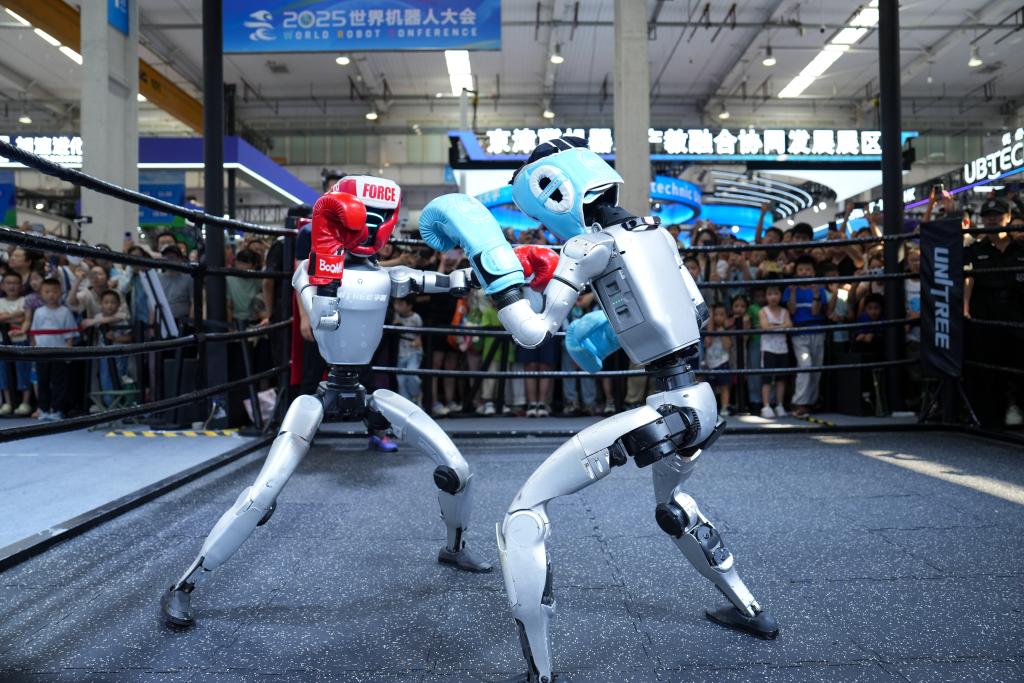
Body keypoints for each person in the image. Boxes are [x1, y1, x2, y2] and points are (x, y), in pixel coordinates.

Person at [964, 197, 1024, 427]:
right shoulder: (974, 251)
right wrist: (965, 308)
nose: (991, 221)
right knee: (987, 371)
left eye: (997, 216)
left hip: (1017, 317)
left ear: (1008, 218)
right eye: (987, 217)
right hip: (986, 318)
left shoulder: (1021, 248)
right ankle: (989, 419)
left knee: (1019, 367)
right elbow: (967, 280)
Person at [783, 255, 828, 417]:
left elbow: (816, 312)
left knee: (816, 368)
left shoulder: (820, 289)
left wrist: (816, 294)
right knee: (805, 365)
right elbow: (792, 310)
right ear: (796, 272)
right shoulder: (789, 289)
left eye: (808, 269)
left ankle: (811, 402)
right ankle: (800, 403)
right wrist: (793, 292)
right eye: (801, 269)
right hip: (799, 333)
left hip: (817, 331)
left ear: (814, 272)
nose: (804, 272)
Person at [30, 278, 78, 420]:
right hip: (41, 353)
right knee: (42, 382)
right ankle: (43, 409)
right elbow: (34, 333)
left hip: (59, 352)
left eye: (55, 291)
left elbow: (70, 335)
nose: (51, 294)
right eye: (47, 291)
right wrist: (33, 351)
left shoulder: (65, 311)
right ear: (41, 293)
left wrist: (69, 353)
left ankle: (57, 409)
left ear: (61, 293)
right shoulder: (38, 312)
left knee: (59, 383)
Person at [0, 271, 33, 415]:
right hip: (2, 341)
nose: (12, 286)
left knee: (23, 369)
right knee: (2, 371)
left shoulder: (25, 300)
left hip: (21, 340)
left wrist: (6, 317)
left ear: (21, 285)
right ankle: (7, 403)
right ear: (2, 285)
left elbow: (24, 319)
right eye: (8, 283)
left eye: (15, 283)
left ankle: (25, 402)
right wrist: (18, 315)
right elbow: (19, 317)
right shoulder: (0, 301)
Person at [758, 282, 792, 418]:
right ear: (766, 296)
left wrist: (774, 326)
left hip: (783, 349)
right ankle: (766, 406)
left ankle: (780, 405)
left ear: (780, 295)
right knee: (767, 378)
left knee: (781, 379)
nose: (773, 297)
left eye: (776, 293)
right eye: (770, 294)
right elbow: (765, 326)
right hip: (768, 349)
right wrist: (781, 325)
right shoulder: (763, 311)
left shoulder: (785, 311)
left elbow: (789, 325)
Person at [391, 296, 423, 406]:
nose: (397, 306)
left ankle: (416, 396)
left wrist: (417, 341)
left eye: (400, 304)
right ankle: (406, 405)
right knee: (401, 380)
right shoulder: (396, 316)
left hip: (413, 352)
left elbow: (419, 336)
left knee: (411, 375)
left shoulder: (416, 317)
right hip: (400, 353)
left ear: (409, 306)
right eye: (395, 303)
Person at [703, 303, 733, 416]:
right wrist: (711, 328)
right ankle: (713, 409)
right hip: (711, 363)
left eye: (721, 315)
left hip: (723, 362)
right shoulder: (709, 331)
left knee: (725, 387)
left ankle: (724, 407)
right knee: (711, 388)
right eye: (715, 315)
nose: (718, 317)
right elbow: (707, 344)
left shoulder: (726, 330)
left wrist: (723, 331)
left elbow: (727, 347)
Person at [157, 245, 192, 325]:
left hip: (182, 320)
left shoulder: (188, 278)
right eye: (166, 258)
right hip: (163, 319)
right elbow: (154, 303)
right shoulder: (159, 278)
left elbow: (193, 301)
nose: (169, 261)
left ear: (180, 259)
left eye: (172, 258)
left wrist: (190, 322)